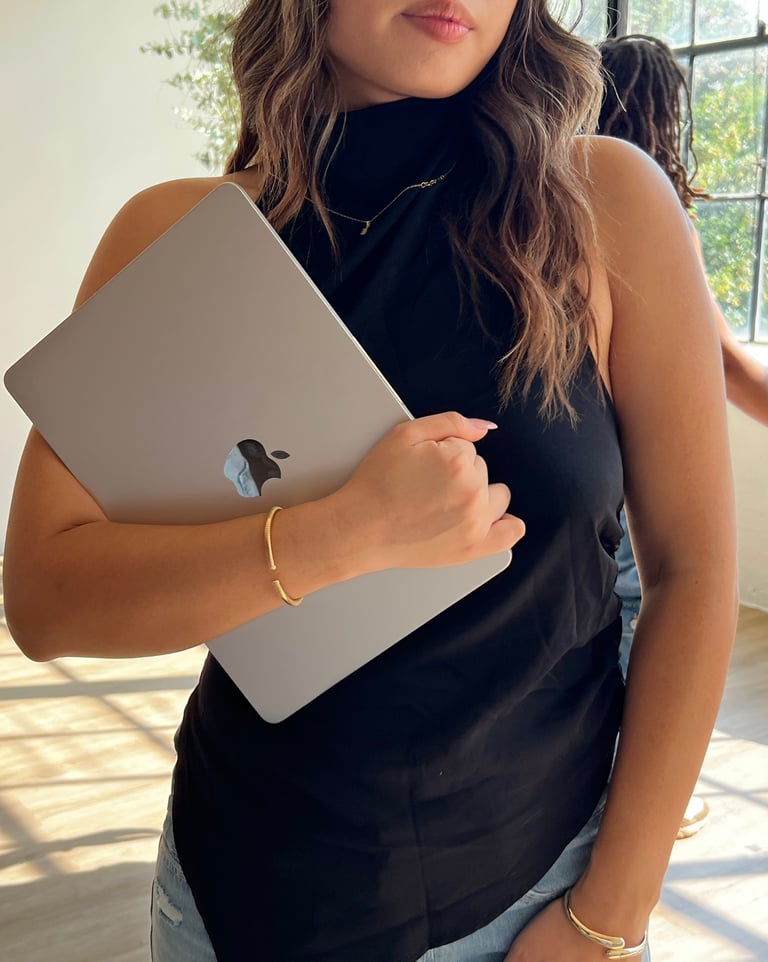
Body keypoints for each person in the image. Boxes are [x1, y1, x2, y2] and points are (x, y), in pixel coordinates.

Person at [3, 4, 737, 961]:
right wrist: (340, 534)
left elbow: (692, 572)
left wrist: (609, 918)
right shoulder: (173, 235)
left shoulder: (606, 206)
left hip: (529, 901)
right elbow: (46, 601)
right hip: (232, 892)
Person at [598, 33, 768, 840]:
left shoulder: (547, 210)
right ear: (668, 113)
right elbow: (728, 366)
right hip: (638, 494)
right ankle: (632, 807)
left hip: (590, 483)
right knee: (650, 622)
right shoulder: (648, 217)